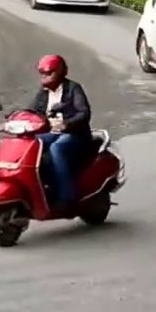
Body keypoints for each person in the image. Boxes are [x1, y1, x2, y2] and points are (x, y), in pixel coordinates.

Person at [27, 54, 92, 211]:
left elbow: (84, 113)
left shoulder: (73, 89)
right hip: (52, 133)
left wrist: (67, 124)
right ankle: (41, 189)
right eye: (42, 74)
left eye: (49, 73)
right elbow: (31, 112)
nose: (45, 77)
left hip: (75, 134)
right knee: (32, 145)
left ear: (60, 72)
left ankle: (67, 196)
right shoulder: (43, 93)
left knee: (57, 148)